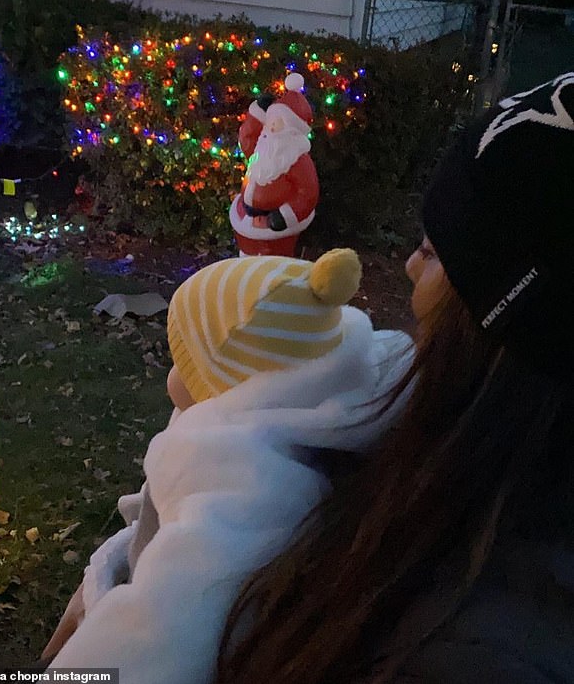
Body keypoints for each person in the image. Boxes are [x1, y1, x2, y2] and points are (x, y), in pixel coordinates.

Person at [214, 71, 574, 683]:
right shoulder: (462, 473)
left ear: (507, 318)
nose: (408, 266)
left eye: (436, 252)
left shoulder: (480, 652)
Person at [42, 248, 412, 681]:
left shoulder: (246, 478)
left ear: (223, 384)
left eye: (181, 361)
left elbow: (162, 628)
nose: (171, 374)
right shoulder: (281, 406)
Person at [229, 72, 320, 257]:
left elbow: (307, 193)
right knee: (246, 256)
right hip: (247, 217)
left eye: (277, 124)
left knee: (274, 262)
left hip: (275, 224)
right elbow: (247, 139)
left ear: (292, 131)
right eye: (270, 121)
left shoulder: (297, 160)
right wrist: (257, 114)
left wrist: (284, 216)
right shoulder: (262, 147)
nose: (270, 128)